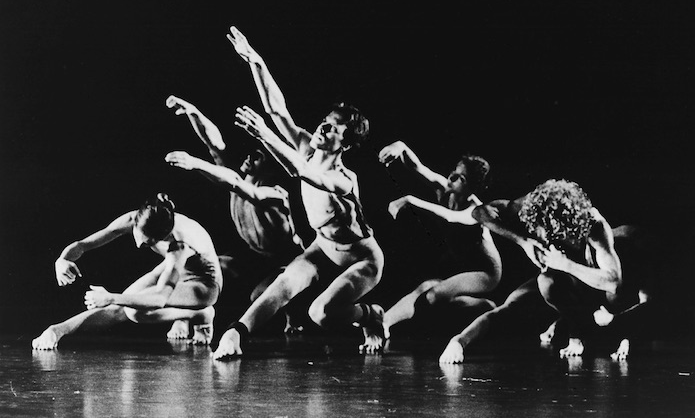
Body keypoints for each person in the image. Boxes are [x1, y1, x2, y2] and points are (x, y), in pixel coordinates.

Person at [212, 26, 383, 359]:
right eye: (325, 121)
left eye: (334, 128)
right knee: (285, 283)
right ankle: (235, 334)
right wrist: (255, 61)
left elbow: (303, 172)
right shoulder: (307, 145)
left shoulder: (344, 179)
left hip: (361, 258)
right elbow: (278, 111)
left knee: (321, 313)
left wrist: (264, 136)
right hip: (322, 246)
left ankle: (371, 315)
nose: (323, 127)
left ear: (346, 144)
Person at [439, 179, 653, 363]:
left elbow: (613, 281)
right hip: (566, 284)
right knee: (528, 294)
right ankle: (459, 341)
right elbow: (480, 211)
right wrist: (523, 241)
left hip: (596, 285)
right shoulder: (533, 208)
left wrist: (566, 264)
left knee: (613, 303)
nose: (546, 234)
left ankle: (601, 331)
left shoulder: (593, 224)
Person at [164, 94, 305, 334]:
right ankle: (184, 316)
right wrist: (193, 111)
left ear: (269, 164)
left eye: (257, 156)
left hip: (285, 261)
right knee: (200, 266)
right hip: (252, 258)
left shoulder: (276, 193)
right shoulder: (237, 177)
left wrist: (195, 163)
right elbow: (215, 145)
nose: (248, 157)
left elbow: (242, 188)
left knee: (259, 295)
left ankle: (294, 316)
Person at [31, 194, 222, 349]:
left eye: (148, 243)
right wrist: (63, 259)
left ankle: (199, 314)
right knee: (121, 308)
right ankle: (56, 331)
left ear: (164, 236)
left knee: (134, 312)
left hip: (203, 284)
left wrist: (111, 297)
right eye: (139, 237)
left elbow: (159, 299)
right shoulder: (135, 218)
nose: (139, 245)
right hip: (172, 269)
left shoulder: (179, 245)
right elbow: (83, 245)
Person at [363, 141, 500, 353]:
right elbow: (417, 167)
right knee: (425, 287)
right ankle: (384, 323)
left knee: (432, 296)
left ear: (471, 187)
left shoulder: (476, 210)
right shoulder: (445, 189)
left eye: (460, 178)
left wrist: (409, 200)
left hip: (485, 272)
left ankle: (485, 308)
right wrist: (400, 147)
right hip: (463, 265)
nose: (451, 178)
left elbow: (450, 216)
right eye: (454, 172)